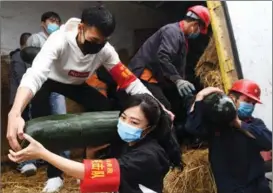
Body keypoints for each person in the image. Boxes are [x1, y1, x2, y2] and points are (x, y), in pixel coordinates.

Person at [7, 6, 172, 192]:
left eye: (103, 42)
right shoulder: (58, 40)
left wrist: (156, 104)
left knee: (109, 108)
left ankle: (108, 164)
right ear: (81, 28)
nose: (97, 46)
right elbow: (35, 74)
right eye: (94, 40)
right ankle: (54, 176)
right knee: (41, 123)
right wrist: (15, 112)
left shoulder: (105, 50)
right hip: (49, 81)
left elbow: (129, 81)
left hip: (78, 85)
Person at [8, 93, 182, 193]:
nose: (125, 124)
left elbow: (87, 173)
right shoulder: (124, 143)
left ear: (149, 128)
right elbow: (100, 180)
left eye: (134, 122)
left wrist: (42, 153)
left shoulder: (149, 155)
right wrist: (90, 155)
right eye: (123, 117)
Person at [185, 80, 272, 193]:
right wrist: (199, 98)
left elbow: (268, 142)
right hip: (230, 189)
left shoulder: (254, 124)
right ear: (232, 98)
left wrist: (239, 124)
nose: (250, 106)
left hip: (257, 187)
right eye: (247, 101)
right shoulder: (216, 125)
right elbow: (192, 127)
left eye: (253, 103)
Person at [127, 5, 210, 120]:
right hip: (144, 76)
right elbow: (163, 57)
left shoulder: (181, 37)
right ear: (195, 25)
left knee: (174, 104)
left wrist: (182, 83)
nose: (198, 33)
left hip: (155, 77)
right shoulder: (172, 32)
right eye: (199, 30)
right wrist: (178, 80)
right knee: (162, 108)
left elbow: (177, 65)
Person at [26, 11, 67, 117]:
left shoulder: (59, 40)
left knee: (60, 113)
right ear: (43, 23)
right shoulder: (35, 38)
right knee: (40, 112)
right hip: (40, 83)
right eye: (52, 21)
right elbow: (29, 60)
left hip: (57, 81)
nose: (55, 24)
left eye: (57, 22)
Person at [9, 32, 38, 176]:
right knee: (21, 131)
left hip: (28, 98)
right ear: (24, 45)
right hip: (20, 101)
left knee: (28, 129)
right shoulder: (18, 57)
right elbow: (22, 79)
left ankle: (32, 159)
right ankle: (24, 163)